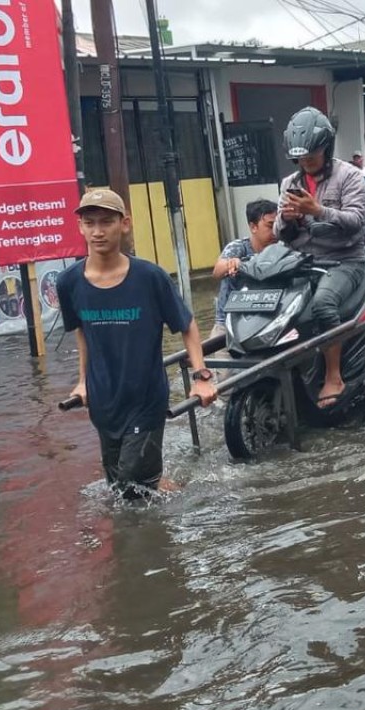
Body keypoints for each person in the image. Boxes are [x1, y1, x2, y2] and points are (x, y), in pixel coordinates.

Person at [57, 188, 218, 500]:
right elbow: (82, 333)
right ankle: (172, 490)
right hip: (104, 401)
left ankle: (167, 530)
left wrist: (201, 377)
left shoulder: (149, 277)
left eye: (106, 222)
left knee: (132, 489)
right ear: (80, 227)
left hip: (145, 399)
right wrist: (82, 382)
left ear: (125, 224)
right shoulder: (69, 282)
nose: (98, 231)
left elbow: (187, 325)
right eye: (90, 223)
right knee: (119, 487)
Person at [275, 106, 365, 407]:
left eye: (312, 157)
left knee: (323, 304)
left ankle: (334, 375)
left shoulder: (351, 177)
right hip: (303, 261)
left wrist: (318, 211)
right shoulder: (289, 183)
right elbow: (280, 231)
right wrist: (288, 218)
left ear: (326, 149)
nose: (306, 163)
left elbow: (356, 221)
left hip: (345, 260)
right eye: (301, 159)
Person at [212, 198, 278, 341]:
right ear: (253, 227)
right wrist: (234, 263)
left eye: (278, 226)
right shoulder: (238, 247)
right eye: (270, 225)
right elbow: (217, 271)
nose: (275, 231)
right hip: (228, 323)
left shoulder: (280, 249)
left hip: (265, 322)